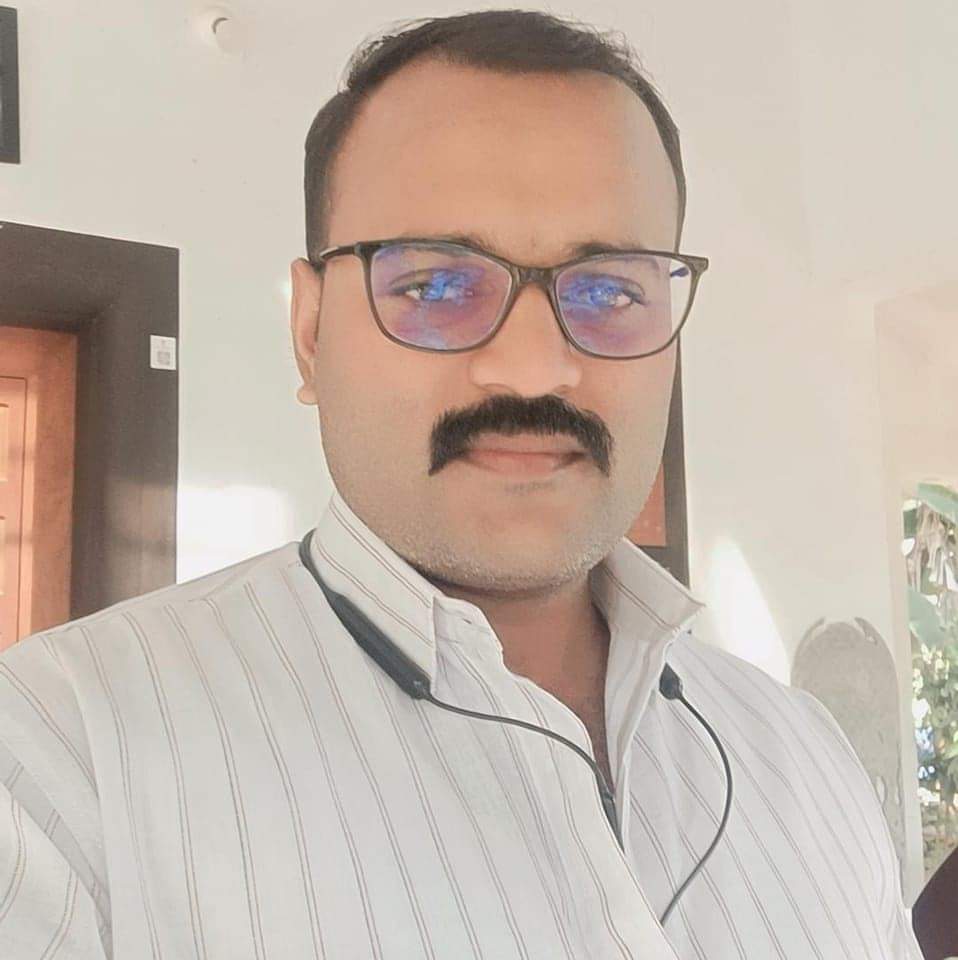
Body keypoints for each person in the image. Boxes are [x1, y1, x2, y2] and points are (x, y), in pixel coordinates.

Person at [0, 9, 923, 959]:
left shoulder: (805, 761)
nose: (534, 368)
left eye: (610, 290)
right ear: (310, 333)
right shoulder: (55, 766)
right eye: (435, 285)